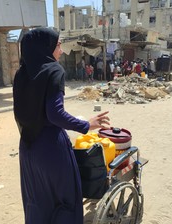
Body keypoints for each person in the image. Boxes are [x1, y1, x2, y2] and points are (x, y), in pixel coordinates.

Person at [13, 27, 110, 224]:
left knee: (37, 201)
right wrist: (86, 125)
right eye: (58, 45)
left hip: (28, 148)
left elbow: (22, 113)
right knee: (65, 200)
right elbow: (55, 113)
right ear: (46, 47)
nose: (62, 51)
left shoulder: (21, 74)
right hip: (51, 150)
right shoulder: (54, 70)